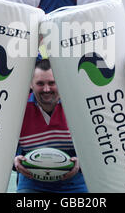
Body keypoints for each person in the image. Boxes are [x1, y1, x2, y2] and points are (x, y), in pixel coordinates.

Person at [13, 59, 88, 193]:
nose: (46, 89)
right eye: (40, 83)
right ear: (31, 84)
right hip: (32, 180)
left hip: (74, 179)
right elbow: (3, 148)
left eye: (52, 83)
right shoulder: (17, 107)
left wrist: (82, 162)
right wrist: (15, 159)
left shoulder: (78, 105)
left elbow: (95, 147)